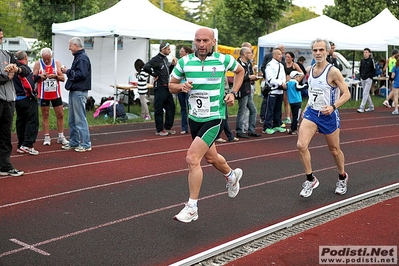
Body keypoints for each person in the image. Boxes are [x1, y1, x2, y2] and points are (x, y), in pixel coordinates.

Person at [169, 27, 244, 223]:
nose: (201, 44)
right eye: (198, 40)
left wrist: (233, 93)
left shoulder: (222, 60)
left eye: (205, 41)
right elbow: (171, 85)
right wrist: (181, 87)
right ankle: (231, 175)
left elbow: (240, 71)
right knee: (211, 158)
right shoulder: (185, 62)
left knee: (192, 158)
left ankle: (192, 207)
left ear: (213, 41)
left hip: (214, 117)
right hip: (194, 119)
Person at [298, 38, 351, 198]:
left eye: (321, 50)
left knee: (334, 151)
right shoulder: (310, 69)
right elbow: (314, 92)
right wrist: (306, 108)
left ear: (328, 51)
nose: (318, 53)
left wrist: (333, 106)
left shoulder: (333, 71)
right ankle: (310, 179)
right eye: (315, 50)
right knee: (301, 145)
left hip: (329, 115)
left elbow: (347, 93)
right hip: (312, 113)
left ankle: (342, 176)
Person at [0, 27, 31, 177]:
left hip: (9, 100)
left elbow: (26, 69)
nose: (1, 40)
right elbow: (5, 77)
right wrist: (7, 77)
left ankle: (5, 166)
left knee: (5, 134)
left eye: (1, 37)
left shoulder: (7, 55)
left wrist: (16, 70)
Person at [60, 37, 92, 152]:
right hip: (75, 90)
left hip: (79, 91)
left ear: (75, 45)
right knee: (72, 119)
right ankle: (74, 142)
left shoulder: (82, 58)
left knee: (79, 119)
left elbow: (81, 74)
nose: (69, 48)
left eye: (70, 45)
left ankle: (86, 144)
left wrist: (67, 71)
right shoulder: (79, 57)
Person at [33, 47, 68, 146]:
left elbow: (63, 78)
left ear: (51, 56)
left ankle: (61, 136)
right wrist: (41, 77)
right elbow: (33, 78)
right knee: (45, 115)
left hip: (55, 94)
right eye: (45, 59)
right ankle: (47, 136)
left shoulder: (56, 63)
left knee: (60, 114)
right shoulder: (38, 64)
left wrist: (55, 76)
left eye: (48, 59)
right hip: (44, 94)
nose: (46, 61)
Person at [143, 42, 177, 136]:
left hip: (167, 87)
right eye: (168, 49)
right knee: (159, 109)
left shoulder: (165, 59)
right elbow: (146, 67)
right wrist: (154, 74)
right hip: (159, 87)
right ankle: (159, 129)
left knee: (171, 108)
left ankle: (168, 127)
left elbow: (167, 72)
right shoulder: (156, 59)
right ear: (163, 49)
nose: (170, 51)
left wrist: (172, 65)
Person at [13, 51, 39, 155]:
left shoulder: (13, 67)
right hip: (27, 98)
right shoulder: (24, 68)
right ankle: (28, 144)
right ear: (26, 57)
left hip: (17, 98)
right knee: (32, 121)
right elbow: (27, 83)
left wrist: (38, 77)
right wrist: (33, 93)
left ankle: (21, 144)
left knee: (21, 121)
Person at [235, 46, 261, 138]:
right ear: (245, 54)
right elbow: (238, 78)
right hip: (242, 90)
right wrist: (249, 77)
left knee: (253, 110)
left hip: (248, 89)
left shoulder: (249, 63)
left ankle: (251, 130)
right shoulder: (238, 64)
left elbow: (249, 75)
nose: (252, 55)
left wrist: (254, 77)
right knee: (242, 111)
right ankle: (239, 130)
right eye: (250, 53)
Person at [261, 48, 287, 135]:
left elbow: (283, 76)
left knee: (278, 109)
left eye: (281, 54)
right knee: (270, 110)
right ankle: (267, 126)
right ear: (274, 55)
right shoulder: (269, 65)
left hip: (280, 91)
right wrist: (280, 83)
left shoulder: (281, 65)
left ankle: (277, 124)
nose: (281, 56)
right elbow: (270, 79)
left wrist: (283, 83)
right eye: (279, 54)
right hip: (272, 91)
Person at [215, 76, 239, 143]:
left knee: (224, 117)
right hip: (219, 97)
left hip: (224, 96)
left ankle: (229, 136)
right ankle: (218, 136)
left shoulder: (223, 74)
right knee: (222, 117)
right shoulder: (218, 74)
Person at [176, 46, 194, 134]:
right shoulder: (179, 62)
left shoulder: (191, 62)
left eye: (182, 51)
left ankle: (193, 126)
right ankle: (184, 127)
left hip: (188, 87)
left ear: (186, 53)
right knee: (183, 108)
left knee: (190, 107)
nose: (180, 53)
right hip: (180, 86)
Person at [283, 51, 303, 124]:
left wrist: (297, 81)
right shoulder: (284, 65)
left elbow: (302, 73)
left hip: (292, 86)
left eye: (288, 57)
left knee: (293, 101)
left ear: (292, 58)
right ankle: (288, 117)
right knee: (285, 101)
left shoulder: (294, 65)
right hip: (286, 85)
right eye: (286, 57)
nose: (287, 58)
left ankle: (295, 118)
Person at [286, 71, 307, 135]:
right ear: (295, 77)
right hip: (297, 101)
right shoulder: (295, 82)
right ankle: (293, 129)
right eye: (298, 76)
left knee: (294, 115)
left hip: (291, 101)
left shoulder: (288, 83)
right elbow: (298, 88)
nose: (299, 78)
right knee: (296, 116)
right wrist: (305, 85)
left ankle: (293, 128)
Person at [356, 48, 375, 113]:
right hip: (363, 78)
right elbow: (360, 68)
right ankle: (371, 106)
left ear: (369, 53)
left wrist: (370, 76)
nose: (365, 53)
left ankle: (362, 107)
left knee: (365, 93)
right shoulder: (362, 60)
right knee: (366, 93)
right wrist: (361, 76)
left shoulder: (371, 60)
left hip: (368, 79)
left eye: (366, 52)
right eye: (364, 52)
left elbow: (374, 69)